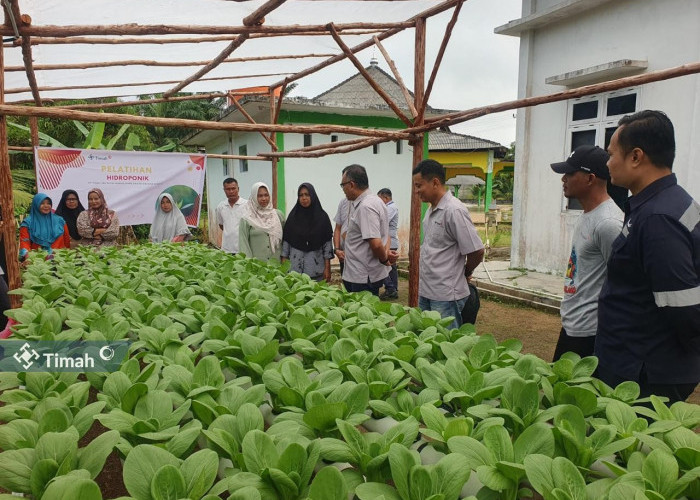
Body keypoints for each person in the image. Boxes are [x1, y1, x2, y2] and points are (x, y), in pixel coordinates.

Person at [596, 110, 699, 403]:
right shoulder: (664, 202)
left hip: (645, 371)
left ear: (636, 157)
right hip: (643, 361)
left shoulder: (657, 218)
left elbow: (683, 308)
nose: (608, 162)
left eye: (611, 153)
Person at [549, 145, 623, 361]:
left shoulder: (609, 223)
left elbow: (622, 282)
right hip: (573, 325)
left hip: (591, 333)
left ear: (590, 179)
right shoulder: (588, 215)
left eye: (570, 173)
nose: (563, 178)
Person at [412, 159, 484, 329]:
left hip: (446, 296)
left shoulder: (454, 210)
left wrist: (466, 271)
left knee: (446, 346)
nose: (416, 191)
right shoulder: (430, 211)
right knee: (427, 341)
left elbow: (477, 251)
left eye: (419, 185)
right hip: (427, 291)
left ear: (435, 183)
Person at [340, 164, 398, 295]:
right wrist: (386, 254)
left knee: (363, 312)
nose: (343, 189)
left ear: (352, 184)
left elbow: (376, 244)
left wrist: (385, 260)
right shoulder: (375, 201)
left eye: (343, 185)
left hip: (363, 276)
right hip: (361, 274)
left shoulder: (366, 206)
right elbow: (385, 234)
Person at [281, 183, 334, 282]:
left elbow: (327, 246)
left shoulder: (322, 218)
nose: (304, 198)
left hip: (316, 272)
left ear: (312, 195)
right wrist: (284, 267)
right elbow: (286, 244)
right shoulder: (292, 218)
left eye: (307, 194)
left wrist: (327, 268)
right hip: (295, 273)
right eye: (301, 195)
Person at [239, 182, 285, 262]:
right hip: (257, 267)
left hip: (277, 267)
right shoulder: (247, 219)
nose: (264, 199)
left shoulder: (278, 215)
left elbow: (285, 240)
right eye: (259, 196)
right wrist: (249, 265)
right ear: (253, 197)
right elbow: (244, 245)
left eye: (266, 195)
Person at [19, 193, 71, 262]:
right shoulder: (28, 222)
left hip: (59, 260)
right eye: (42, 203)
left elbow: (66, 240)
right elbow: (25, 242)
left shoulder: (60, 221)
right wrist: (27, 256)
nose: (46, 206)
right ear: (36, 204)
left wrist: (66, 255)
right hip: (38, 262)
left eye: (48, 203)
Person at [378, 188, 399, 300]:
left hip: (389, 242)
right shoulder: (388, 207)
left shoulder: (390, 208)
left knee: (384, 265)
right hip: (388, 241)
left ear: (386, 198)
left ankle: (391, 288)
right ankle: (393, 289)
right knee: (391, 267)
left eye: (380, 199)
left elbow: (381, 221)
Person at [216, 177, 247, 254]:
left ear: (238, 189)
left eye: (233, 188)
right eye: (228, 189)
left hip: (243, 249)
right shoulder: (221, 206)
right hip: (226, 249)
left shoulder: (247, 205)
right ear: (224, 190)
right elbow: (221, 225)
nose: (231, 191)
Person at [333, 197, 350, 275]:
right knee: (346, 284)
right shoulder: (343, 202)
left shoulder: (367, 203)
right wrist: (337, 250)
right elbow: (337, 228)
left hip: (361, 258)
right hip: (344, 255)